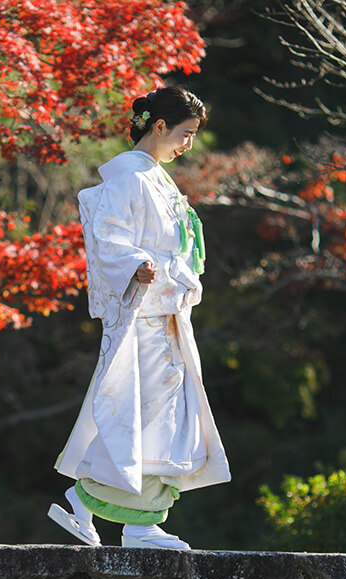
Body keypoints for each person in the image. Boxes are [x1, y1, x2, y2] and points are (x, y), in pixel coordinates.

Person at [49, 87, 230, 550]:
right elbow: (109, 234)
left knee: (149, 414)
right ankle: (138, 525)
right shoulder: (131, 177)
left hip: (163, 312)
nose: (188, 145)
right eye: (185, 134)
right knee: (149, 416)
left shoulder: (155, 177)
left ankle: (87, 500)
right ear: (160, 126)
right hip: (145, 311)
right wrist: (134, 264)